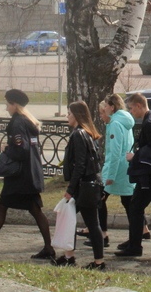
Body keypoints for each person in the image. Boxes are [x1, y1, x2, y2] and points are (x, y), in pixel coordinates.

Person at [0, 89, 53, 259]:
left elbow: (22, 150)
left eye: (7, 104)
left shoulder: (17, 122)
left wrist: (7, 149)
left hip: (19, 178)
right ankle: (48, 248)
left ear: (14, 105)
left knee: (3, 208)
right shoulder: (28, 121)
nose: (6, 108)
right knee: (33, 210)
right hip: (28, 175)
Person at [56, 101, 105, 269]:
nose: (67, 117)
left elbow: (80, 164)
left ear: (76, 115)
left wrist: (71, 189)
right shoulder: (88, 133)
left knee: (90, 223)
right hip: (90, 183)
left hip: (85, 185)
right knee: (72, 219)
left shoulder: (78, 134)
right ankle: (69, 256)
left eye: (69, 114)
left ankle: (98, 261)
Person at [117, 92, 151, 258]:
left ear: (138, 106)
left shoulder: (150, 123)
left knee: (136, 207)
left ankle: (135, 246)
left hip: (150, 176)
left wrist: (134, 157)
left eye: (131, 108)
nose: (131, 112)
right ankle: (133, 241)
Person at [96, 94, 136, 249]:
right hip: (125, 168)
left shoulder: (115, 123)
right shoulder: (124, 121)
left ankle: (102, 235)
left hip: (117, 170)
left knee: (99, 199)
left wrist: (109, 176)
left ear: (112, 107)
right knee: (129, 203)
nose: (104, 109)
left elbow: (115, 152)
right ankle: (138, 234)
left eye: (106, 106)